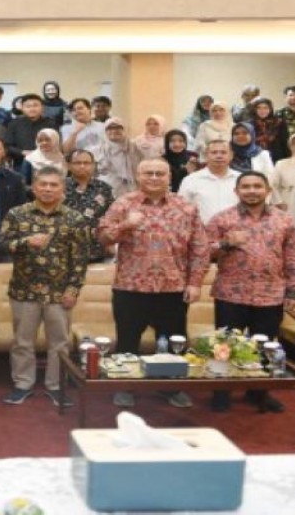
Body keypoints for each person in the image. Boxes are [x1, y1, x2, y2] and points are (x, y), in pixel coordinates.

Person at [98, 158, 210, 409]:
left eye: (160, 173)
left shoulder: (186, 207)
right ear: (138, 176)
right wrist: (125, 225)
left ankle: (169, 387)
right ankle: (125, 386)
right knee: (127, 340)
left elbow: (200, 248)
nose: (154, 177)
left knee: (172, 341)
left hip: (173, 287)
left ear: (170, 177)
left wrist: (195, 283)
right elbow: (103, 237)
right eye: (148, 173)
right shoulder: (124, 203)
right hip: (131, 287)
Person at [205, 171, 295, 413]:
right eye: (246, 186)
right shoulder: (222, 219)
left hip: (270, 294)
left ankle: (258, 393)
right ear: (236, 191)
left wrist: (294, 291)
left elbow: (293, 257)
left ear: (268, 190)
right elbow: (203, 252)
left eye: (257, 186)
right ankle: (221, 392)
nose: (251, 191)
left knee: (265, 346)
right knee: (224, 346)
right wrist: (226, 243)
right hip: (231, 294)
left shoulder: (284, 220)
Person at [0, 166, 89, 408]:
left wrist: (73, 289)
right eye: (43, 184)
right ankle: (22, 383)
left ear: (62, 189)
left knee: (59, 343)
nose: (48, 189)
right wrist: (25, 242)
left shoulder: (75, 218)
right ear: (34, 187)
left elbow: (80, 259)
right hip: (23, 290)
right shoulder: (17, 214)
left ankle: (56, 385)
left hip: (59, 293)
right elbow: (2, 245)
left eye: (54, 185)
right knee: (22, 341)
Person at [64, 149, 114, 263]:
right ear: (69, 166)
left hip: (96, 249)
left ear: (93, 166)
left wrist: (110, 242)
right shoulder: (59, 187)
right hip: (64, 250)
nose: (82, 166)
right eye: (77, 163)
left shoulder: (104, 188)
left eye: (86, 163)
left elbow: (112, 216)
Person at [179, 139, 240, 224]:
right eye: (214, 152)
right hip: (202, 233)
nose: (219, 156)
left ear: (231, 155)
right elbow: (181, 209)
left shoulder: (240, 179)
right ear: (206, 156)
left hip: (236, 233)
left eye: (223, 152)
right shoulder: (191, 180)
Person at [95, 118, 137, 198]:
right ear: (104, 131)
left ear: (124, 129)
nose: (114, 131)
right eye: (110, 128)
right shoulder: (97, 150)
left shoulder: (134, 148)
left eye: (118, 128)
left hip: (131, 189)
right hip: (107, 189)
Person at [4, 93, 49, 165]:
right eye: (28, 106)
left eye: (35, 105)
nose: (32, 109)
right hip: (20, 162)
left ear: (42, 107)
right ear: (22, 108)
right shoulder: (14, 124)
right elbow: (7, 146)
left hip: (45, 162)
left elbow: (56, 144)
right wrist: (22, 152)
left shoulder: (50, 123)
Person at [249, 98, 290, 162]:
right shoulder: (249, 124)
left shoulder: (279, 122)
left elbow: (285, 142)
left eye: (265, 108)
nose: (262, 110)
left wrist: (288, 159)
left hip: (277, 157)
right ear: (255, 110)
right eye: (259, 108)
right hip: (256, 157)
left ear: (270, 109)